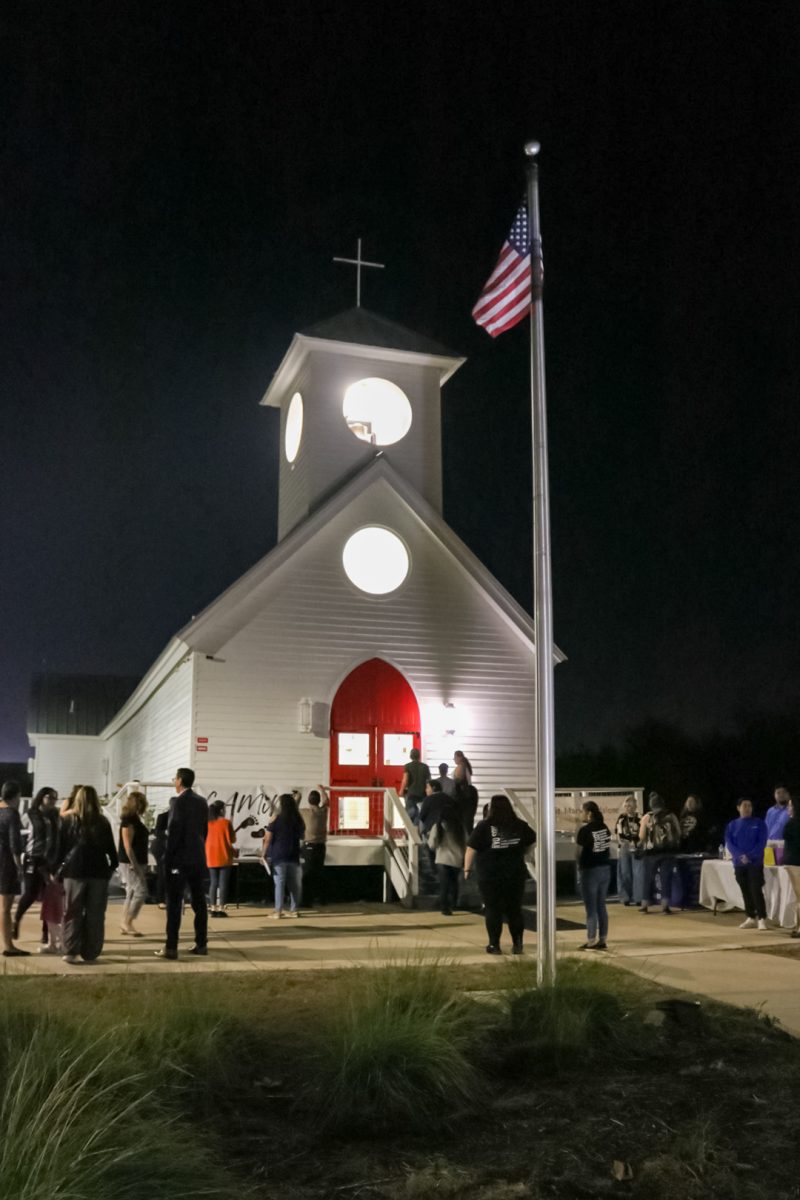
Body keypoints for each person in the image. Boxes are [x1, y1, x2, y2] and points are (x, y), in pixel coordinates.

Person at [464, 793, 535, 955]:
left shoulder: (484, 826)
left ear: (492, 808)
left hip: (490, 875)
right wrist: (524, 853)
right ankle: (518, 944)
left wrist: (466, 869)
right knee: (514, 910)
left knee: (492, 910)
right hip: (515, 874)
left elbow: (471, 848)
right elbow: (532, 840)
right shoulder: (519, 825)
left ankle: (494, 945)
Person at [60, 785, 118, 964]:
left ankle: (70, 949)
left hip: (74, 871)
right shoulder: (102, 822)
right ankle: (91, 951)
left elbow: (60, 848)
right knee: (96, 913)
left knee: (72, 911)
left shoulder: (68, 820)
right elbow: (111, 850)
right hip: (98, 872)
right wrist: (111, 868)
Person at [156, 768, 209, 960]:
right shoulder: (202, 802)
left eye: (174, 778)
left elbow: (175, 831)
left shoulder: (178, 803)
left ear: (179, 781)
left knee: (174, 903)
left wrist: (168, 858)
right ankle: (201, 943)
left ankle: (171, 947)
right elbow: (204, 830)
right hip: (197, 857)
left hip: (179, 858)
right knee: (199, 902)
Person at [13, 786, 58, 941]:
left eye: (55, 798)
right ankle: (16, 920)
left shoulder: (55, 815)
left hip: (49, 860)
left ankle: (46, 932)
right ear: (41, 797)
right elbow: (19, 833)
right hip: (33, 858)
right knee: (30, 893)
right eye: (49, 797)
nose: (52, 801)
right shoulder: (30, 815)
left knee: (49, 896)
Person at [725, 797, 769, 931]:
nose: (747, 808)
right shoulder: (732, 825)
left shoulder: (759, 823)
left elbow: (762, 842)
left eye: (749, 806)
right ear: (738, 808)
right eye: (745, 806)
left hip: (755, 863)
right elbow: (729, 842)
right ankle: (750, 916)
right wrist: (739, 856)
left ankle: (762, 918)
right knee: (745, 890)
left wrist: (749, 856)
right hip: (739, 864)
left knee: (756, 889)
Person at [634, 793, 681, 914]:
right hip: (668, 852)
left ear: (651, 804)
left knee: (648, 879)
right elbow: (679, 833)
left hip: (651, 853)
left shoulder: (647, 817)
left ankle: (644, 906)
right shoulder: (671, 816)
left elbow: (641, 836)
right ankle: (665, 907)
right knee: (666, 878)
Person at [576, 800, 612, 950]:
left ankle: (591, 940)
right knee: (601, 905)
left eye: (582, 811)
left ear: (589, 813)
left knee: (590, 908)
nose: (581, 814)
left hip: (589, 870)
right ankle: (602, 939)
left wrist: (579, 867)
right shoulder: (604, 828)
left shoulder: (584, 831)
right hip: (605, 868)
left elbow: (578, 853)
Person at [263, 792, 305, 919]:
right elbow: (303, 837)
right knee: (295, 884)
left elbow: (268, 839)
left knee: (280, 884)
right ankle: (294, 910)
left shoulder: (276, 818)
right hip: (294, 854)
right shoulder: (298, 819)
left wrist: (263, 854)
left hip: (279, 855)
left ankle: (278, 911)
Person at [0, 781, 29, 957]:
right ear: (16, 795)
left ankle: (7, 941)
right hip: (6, 861)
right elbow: (14, 843)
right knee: (6, 906)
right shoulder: (11, 814)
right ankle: (8, 945)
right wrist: (19, 866)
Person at [428, 795, 466, 915]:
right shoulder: (459, 827)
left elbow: (431, 844)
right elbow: (465, 843)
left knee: (444, 884)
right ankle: (453, 904)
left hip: (442, 859)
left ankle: (444, 907)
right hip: (456, 859)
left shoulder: (438, 827)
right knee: (454, 883)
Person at [118, 790, 149, 936]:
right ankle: (128, 921)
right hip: (130, 862)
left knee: (131, 892)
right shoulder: (128, 821)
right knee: (141, 891)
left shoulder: (134, 820)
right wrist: (135, 865)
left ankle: (124, 922)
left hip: (137, 860)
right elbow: (127, 846)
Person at [677, 794, 710, 908]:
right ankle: (686, 899)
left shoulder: (702, 816)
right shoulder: (682, 816)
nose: (689, 804)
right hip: (685, 850)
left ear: (697, 803)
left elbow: (705, 833)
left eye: (692, 802)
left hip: (698, 850)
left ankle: (700, 900)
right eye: (688, 802)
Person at [206, 799, 237, 916]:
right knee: (223, 883)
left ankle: (212, 908)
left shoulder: (207, 823)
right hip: (224, 855)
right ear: (221, 810)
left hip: (210, 855)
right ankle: (222, 909)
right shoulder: (226, 823)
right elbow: (233, 840)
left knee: (213, 883)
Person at [301, 785, 329, 908]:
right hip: (321, 846)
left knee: (306, 874)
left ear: (309, 800)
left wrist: (298, 796)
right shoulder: (323, 811)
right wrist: (322, 790)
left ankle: (306, 901)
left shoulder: (305, 812)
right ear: (318, 801)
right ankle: (321, 898)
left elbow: (294, 807)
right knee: (319, 873)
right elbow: (326, 801)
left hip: (309, 846)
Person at [614, 796, 640, 906]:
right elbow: (618, 834)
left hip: (637, 846)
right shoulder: (621, 818)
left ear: (635, 806)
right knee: (625, 872)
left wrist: (637, 843)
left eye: (630, 805)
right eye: (626, 806)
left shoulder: (640, 818)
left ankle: (637, 897)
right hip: (625, 846)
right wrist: (624, 844)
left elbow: (643, 832)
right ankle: (625, 897)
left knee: (637, 872)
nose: (628, 808)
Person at [781, 797, 800, 938]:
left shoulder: (791, 823)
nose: (788, 808)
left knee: (799, 896)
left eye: (790, 806)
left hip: (794, 862)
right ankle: (797, 925)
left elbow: (785, 836)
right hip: (794, 861)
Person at [399, 748, 430, 826]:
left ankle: (409, 833)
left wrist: (401, 790)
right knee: (421, 813)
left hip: (411, 793)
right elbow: (428, 781)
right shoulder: (425, 767)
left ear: (411, 756)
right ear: (419, 756)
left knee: (410, 813)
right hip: (422, 794)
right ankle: (418, 831)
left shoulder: (408, 766)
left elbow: (405, 779)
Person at [151, 808, 169, 909]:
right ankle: (162, 899)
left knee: (162, 872)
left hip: (159, 845)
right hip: (162, 846)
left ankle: (162, 899)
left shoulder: (162, 816)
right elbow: (159, 832)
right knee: (163, 873)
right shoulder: (168, 816)